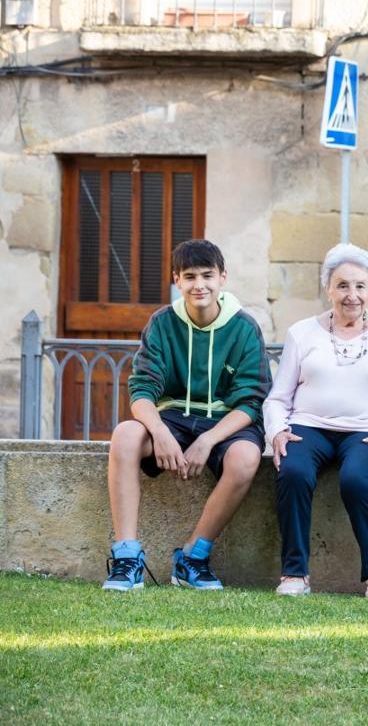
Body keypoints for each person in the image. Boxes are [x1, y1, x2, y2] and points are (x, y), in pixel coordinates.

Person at [103, 239, 270, 591]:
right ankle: (127, 557)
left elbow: (251, 402)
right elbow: (141, 391)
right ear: (177, 281)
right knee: (126, 434)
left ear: (222, 277)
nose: (199, 285)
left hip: (224, 423)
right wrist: (160, 432)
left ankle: (193, 557)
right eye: (189, 276)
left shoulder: (244, 328)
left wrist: (208, 440)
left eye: (207, 275)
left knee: (245, 457)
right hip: (173, 419)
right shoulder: (162, 323)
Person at [264, 244, 368, 600]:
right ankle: (294, 574)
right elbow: (277, 398)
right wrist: (277, 431)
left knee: (355, 479)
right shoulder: (302, 332)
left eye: (360, 286)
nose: (353, 295)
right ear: (328, 288)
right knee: (293, 472)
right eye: (343, 286)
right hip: (308, 426)